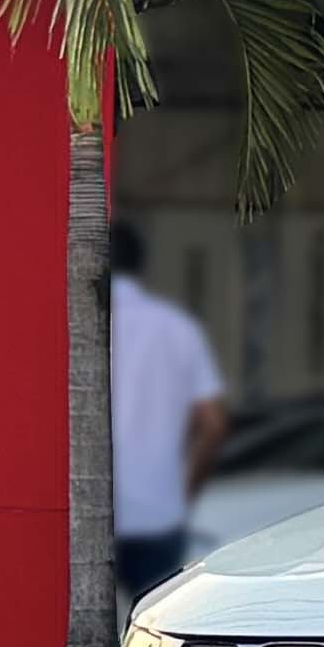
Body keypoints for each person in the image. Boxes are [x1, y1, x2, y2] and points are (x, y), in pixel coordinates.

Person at [108, 220, 230, 597]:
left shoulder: (75, 325)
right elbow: (213, 424)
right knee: (153, 623)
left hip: (88, 517)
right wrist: (184, 490)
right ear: (141, 265)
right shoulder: (178, 328)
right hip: (159, 514)